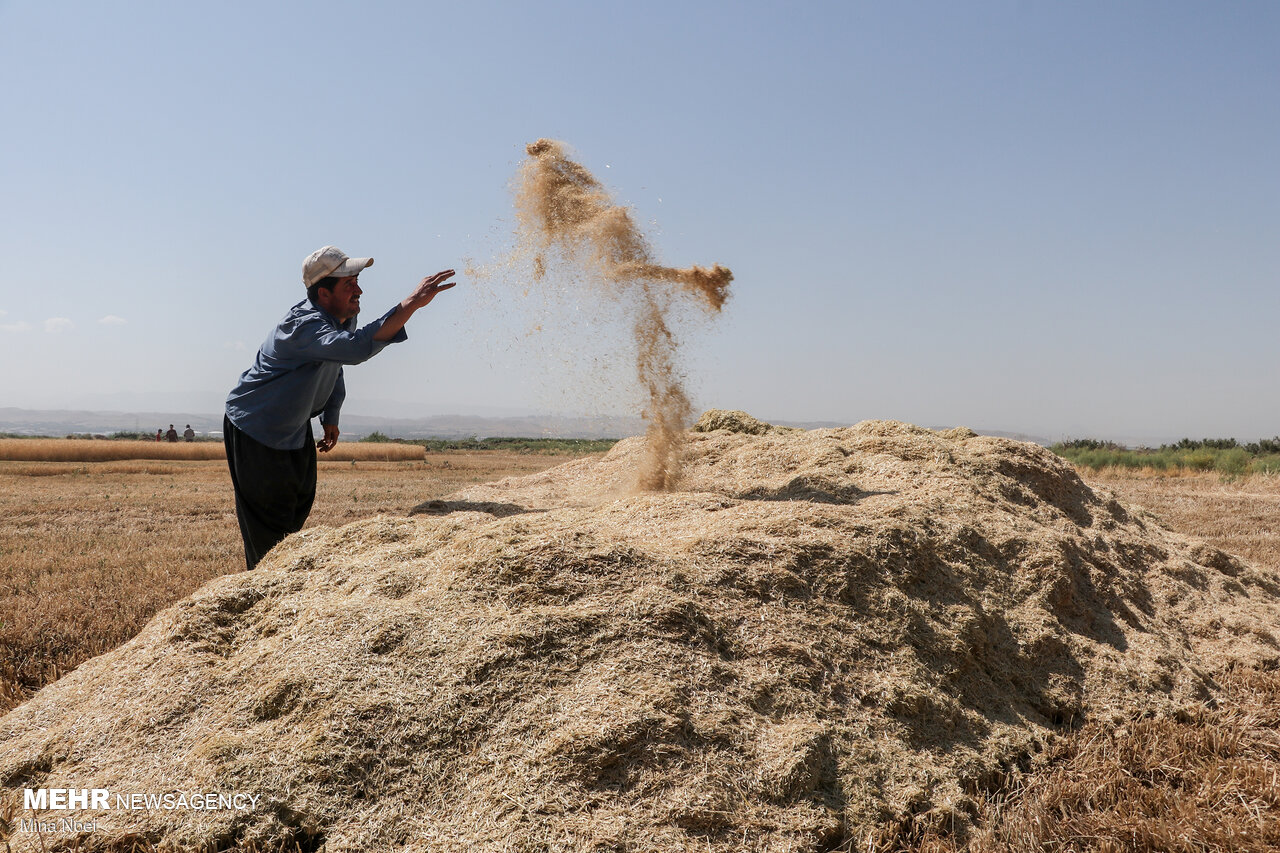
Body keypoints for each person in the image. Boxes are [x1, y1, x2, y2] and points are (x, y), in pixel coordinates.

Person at [223, 245, 456, 569]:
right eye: (350, 284)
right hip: (257, 425)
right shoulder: (302, 326)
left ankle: (282, 577)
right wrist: (412, 303)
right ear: (324, 293)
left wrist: (331, 415)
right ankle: (263, 590)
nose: (359, 290)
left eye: (357, 281)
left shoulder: (340, 317)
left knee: (297, 504)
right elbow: (355, 349)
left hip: (293, 423)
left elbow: (336, 363)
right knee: (268, 523)